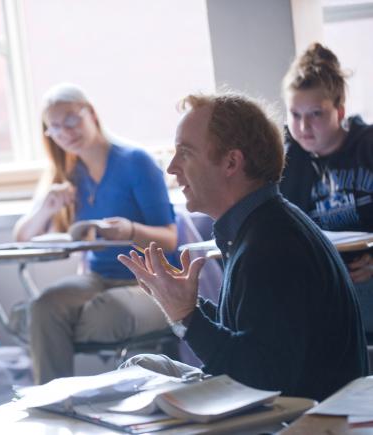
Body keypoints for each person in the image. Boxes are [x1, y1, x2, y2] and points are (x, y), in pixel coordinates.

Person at [118, 92, 369, 401]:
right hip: (273, 400)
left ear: (231, 162)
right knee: (141, 368)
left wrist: (187, 317)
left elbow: (262, 378)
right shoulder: (263, 225)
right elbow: (253, 334)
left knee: (137, 384)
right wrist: (187, 304)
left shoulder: (271, 245)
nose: (171, 167)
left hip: (293, 419)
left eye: (185, 152)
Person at [13, 83, 178, 384]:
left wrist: (130, 230)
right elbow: (23, 237)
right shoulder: (70, 175)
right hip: (99, 278)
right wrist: (46, 209)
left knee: (106, 310)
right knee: (44, 305)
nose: (66, 132)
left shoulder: (135, 162)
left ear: (91, 113)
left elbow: (169, 238)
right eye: (55, 127)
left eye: (72, 120)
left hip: (150, 279)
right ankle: (52, 403)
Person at [280, 42, 373, 336]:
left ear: (339, 110)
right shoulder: (286, 159)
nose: (304, 126)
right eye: (295, 115)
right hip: (320, 277)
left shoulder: (367, 146)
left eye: (316, 114)